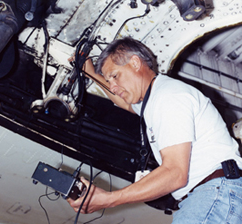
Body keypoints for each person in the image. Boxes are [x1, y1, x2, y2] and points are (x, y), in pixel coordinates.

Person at [68, 37, 242, 223]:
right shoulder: (155, 99)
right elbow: (123, 102)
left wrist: (109, 199)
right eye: (109, 81)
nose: (112, 86)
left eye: (115, 76)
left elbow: (175, 174)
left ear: (135, 62)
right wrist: (91, 73)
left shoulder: (168, 96)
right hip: (214, 195)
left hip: (214, 193)